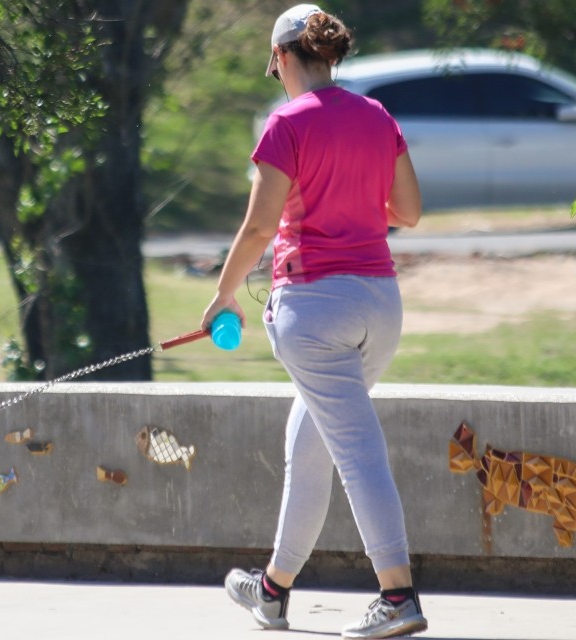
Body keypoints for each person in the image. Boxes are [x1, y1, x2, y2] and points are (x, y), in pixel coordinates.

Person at [200, 5, 425, 638]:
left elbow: (258, 227)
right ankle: (271, 591)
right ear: (331, 55)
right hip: (381, 305)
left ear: (281, 58)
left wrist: (223, 295)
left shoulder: (285, 124)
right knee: (312, 445)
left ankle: (399, 596)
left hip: (314, 309)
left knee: (355, 453)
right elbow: (407, 210)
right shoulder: (377, 116)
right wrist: (352, 190)